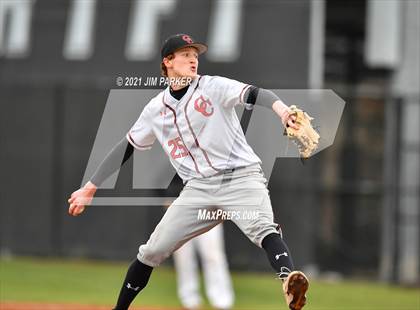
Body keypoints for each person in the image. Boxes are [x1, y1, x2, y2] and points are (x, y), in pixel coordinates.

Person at [68, 33, 309, 310]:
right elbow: (127, 146)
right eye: (185, 54)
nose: (193, 59)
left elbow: (255, 93)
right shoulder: (155, 109)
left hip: (240, 177)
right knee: (152, 251)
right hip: (198, 190)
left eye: (195, 55)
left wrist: (281, 112)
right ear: (168, 61)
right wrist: (91, 186)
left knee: (264, 229)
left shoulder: (213, 86)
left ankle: (289, 282)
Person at [173, 224, 234, 310]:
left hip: (207, 213)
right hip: (178, 216)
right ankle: (189, 302)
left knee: (213, 256)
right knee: (183, 258)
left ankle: (222, 303)